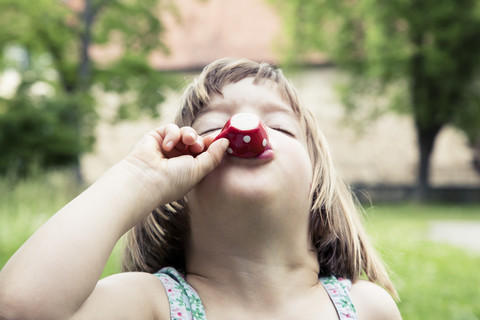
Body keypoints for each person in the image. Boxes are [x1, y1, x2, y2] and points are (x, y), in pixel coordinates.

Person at [0, 58, 402, 320]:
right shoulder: (149, 304)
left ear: (317, 185)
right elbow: (19, 309)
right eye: (212, 126)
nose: (244, 125)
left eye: (279, 126)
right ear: (178, 195)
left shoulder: (367, 308)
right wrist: (137, 179)